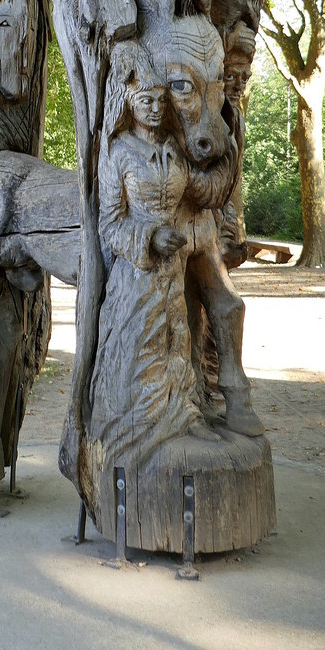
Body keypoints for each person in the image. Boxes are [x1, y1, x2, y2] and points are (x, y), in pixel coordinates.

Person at [88, 44, 218, 466]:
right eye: (146, 100)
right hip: (137, 276)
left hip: (172, 274)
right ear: (129, 103)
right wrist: (149, 237)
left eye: (161, 100)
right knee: (140, 348)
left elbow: (197, 192)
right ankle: (136, 434)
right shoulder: (118, 152)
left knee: (177, 342)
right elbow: (109, 223)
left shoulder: (174, 150)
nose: (156, 108)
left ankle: (179, 419)